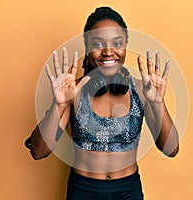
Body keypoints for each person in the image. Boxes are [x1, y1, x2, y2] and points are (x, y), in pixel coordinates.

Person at [26, 6, 179, 200]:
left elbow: (171, 149)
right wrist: (58, 105)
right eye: (98, 44)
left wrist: (158, 103)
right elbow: (38, 152)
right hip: (83, 191)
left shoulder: (142, 90)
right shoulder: (72, 91)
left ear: (125, 46)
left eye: (117, 43)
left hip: (128, 191)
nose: (108, 52)